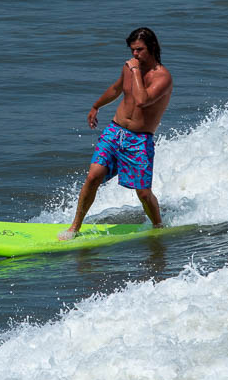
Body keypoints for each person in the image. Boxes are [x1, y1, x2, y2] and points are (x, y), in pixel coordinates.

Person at [58, 27, 173, 241]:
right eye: (132, 50)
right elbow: (116, 88)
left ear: (152, 47)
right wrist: (96, 106)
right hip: (114, 131)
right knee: (93, 176)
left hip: (139, 140)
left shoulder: (163, 77)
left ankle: (158, 227)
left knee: (143, 193)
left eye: (139, 50)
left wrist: (136, 71)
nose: (134, 55)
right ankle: (74, 227)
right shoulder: (128, 69)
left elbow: (142, 100)